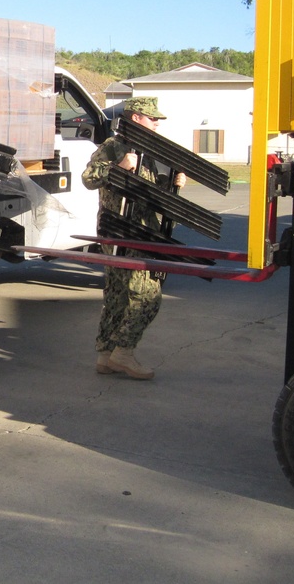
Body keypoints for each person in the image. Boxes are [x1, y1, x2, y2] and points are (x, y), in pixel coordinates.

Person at [81, 96, 186, 380]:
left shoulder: (150, 150)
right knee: (147, 296)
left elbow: (150, 189)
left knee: (117, 296)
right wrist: (120, 168)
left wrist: (172, 184)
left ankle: (106, 355)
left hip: (142, 229)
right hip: (121, 232)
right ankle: (123, 352)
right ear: (136, 118)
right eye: (153, 119)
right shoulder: (113, 146)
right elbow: (89, 178)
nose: (156, 124)